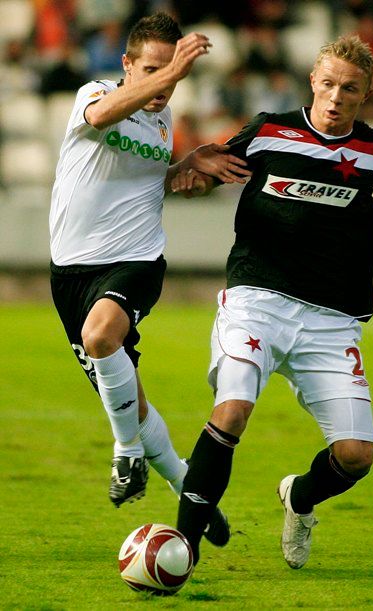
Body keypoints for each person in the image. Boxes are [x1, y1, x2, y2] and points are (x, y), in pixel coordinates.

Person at [172, 35, 373, 567]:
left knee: (355, 457)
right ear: (312, 82)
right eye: (328, 83)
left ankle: (299, 497)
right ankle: (182, 547)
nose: (336, 96)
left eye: (350, 88)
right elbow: (211, 173)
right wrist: (194, 177)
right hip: (258, 297)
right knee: (232, 411)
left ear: (367, 92)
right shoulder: (269, 130)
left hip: (331, 319)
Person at [49, 13, 250, 548]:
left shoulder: (162, 120)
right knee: (130, 398)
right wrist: (173, 76)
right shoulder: (95, 95)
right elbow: (103, 117)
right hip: (70, 271)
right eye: (154, 70)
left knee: (101, 338)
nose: (166, 85)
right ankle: (191, 489)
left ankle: (126, 456)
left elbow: (147, 182)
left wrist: (188, 164)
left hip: (135, 260)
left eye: (173, 73)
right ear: (127, 65)